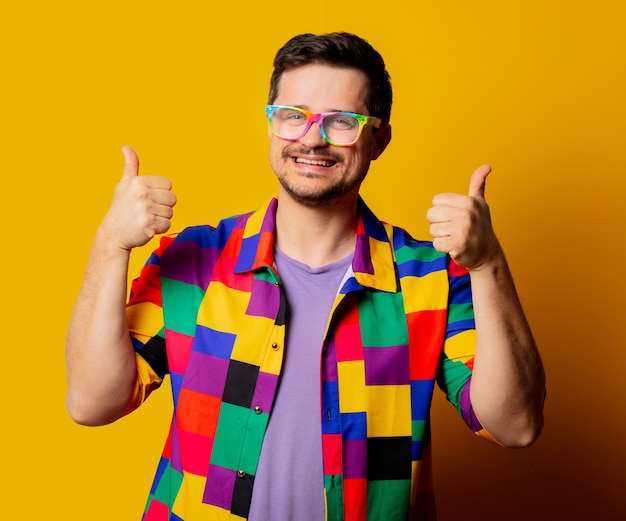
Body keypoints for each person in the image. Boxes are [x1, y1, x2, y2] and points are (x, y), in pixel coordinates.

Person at [65, 32, 545, 521]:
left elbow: (515, 425)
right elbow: (91, 403)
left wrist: (488, 265)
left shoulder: (430, 279)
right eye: (293, 115)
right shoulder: (196, 260)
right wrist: (111, 244)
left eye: (342, 122)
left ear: (379, 139)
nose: (312, 138)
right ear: (271, 124)